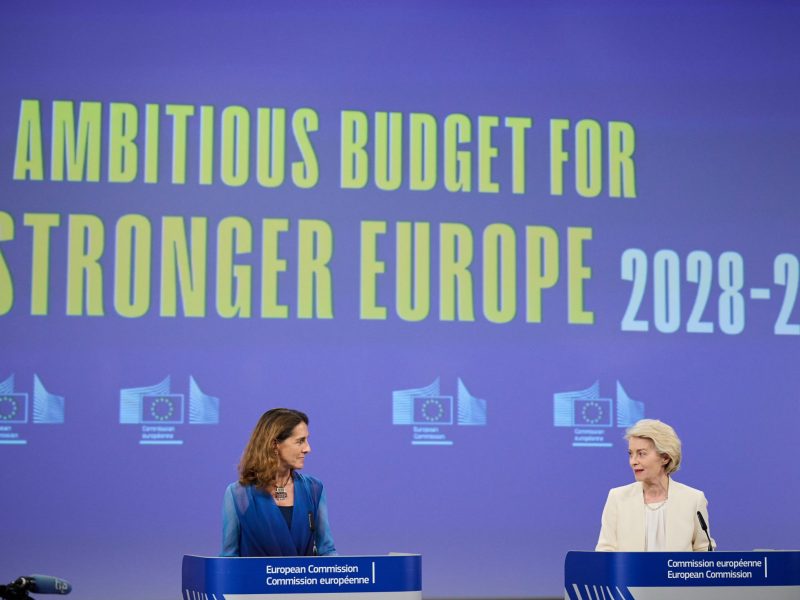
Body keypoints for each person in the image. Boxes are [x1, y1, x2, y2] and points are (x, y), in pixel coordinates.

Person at [221, 408, 336, 556]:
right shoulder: (238, 495)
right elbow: (229, 558)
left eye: (306, 440)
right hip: (255, 573)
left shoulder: (314, 489)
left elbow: (327, 551)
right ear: (275, 444)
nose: (308, 449)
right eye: (300, 441)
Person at [596, 418, 715, 551]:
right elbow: (605, 552)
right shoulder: (617, 498)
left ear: (665, 457)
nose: (633, 461)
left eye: (641, 454)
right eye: (631, 454)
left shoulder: (693, 499)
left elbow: (704, 551)